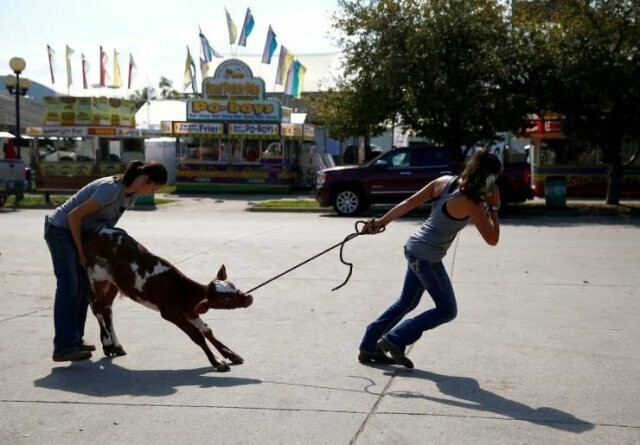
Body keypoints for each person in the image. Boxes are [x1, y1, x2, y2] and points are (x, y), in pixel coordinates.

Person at [358, 149, 502, 368]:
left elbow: (409, 202)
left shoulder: (445, 181)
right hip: (426, 256)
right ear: (488, 178)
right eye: (494, 179)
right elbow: (492, 239)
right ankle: (395, 339)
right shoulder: (471, 202)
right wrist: (493, 207)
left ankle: (370, 344)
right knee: (447, 310)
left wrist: (381, 222)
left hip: (414, 246)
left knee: (407, 302)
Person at [44, 160, 168, 362]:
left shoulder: (129, 197)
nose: (151, 192)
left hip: (81, 234)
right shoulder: (109, 189)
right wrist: (82, 254)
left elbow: (103, 226)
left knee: (84, 287)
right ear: (144, 179)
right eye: (153, 188)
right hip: (61, 231)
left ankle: (74, 340)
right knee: (69, 286)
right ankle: (63, 347)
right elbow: (73, 217)